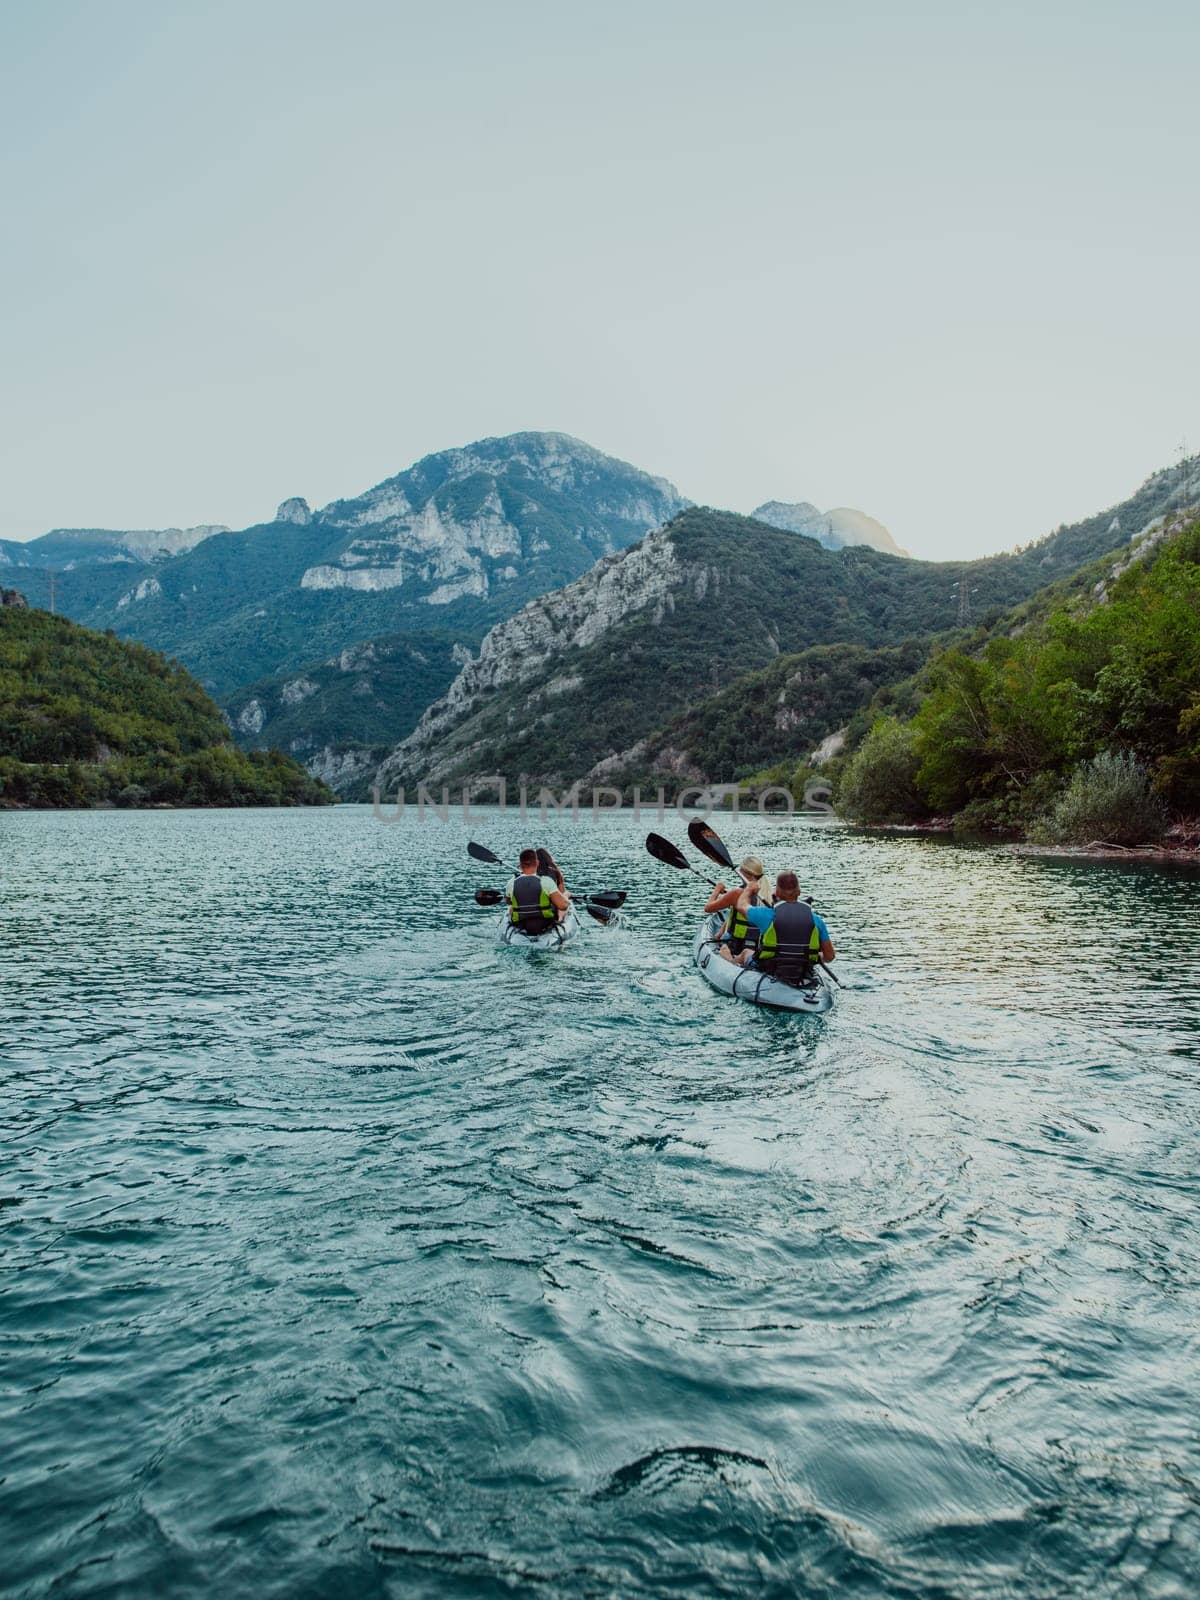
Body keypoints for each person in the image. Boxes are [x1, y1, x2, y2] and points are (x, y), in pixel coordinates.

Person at [750, 870, 835, 983]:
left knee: (746, 952)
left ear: (777, 893)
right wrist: (819, 956)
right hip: (803, 971)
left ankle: (726, 955)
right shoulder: (816, 920)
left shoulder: (766, 915)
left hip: (770, 969)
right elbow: (830, 956)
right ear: (799, 892)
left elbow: (741, 905)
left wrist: (748, 890)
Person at [704, 854, 773, 963]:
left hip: (737, 945)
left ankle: (732, 960)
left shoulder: (737, 893)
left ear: (743, 872)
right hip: (759, 945)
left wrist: (717, 890)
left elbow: (708, 908)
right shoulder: (768, 893)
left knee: (724, 950)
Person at [506, 847, 570, 934]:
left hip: (520, 923)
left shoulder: (511, 882)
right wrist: (566, 897)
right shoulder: (546, 881)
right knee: (564, 902)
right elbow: (563, 906)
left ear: (520, 865)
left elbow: (509, 902)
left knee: (511, 908)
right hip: (544, 923)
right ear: (537, 863)